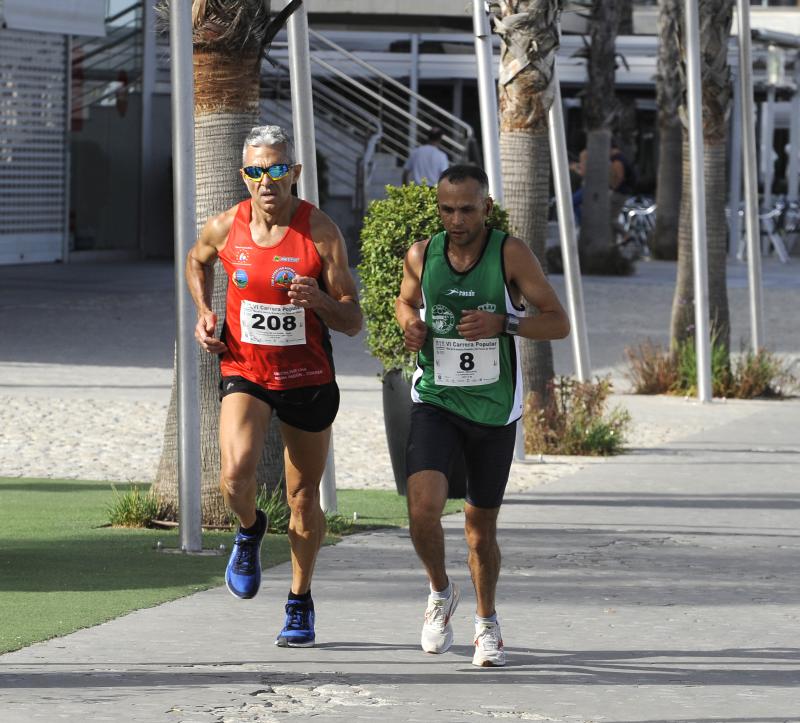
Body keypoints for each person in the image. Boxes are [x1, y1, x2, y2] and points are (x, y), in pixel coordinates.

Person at [187, 124, 362, 648]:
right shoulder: (225, 227)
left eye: (278, 169)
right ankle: (249, 529)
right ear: (245, 176)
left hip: (307, 378)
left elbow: (352, 321)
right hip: (246, 371)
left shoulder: (321, 233)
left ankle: (299, 602)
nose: (268, 180)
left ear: (295, 174)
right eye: (258, 170)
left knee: (303, 497)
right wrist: (203, 312)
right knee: (234, 480)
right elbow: (195, 260)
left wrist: (321, 301)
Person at [395, 164, 570, 667]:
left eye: (467, 209)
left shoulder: (510, 253)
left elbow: (557, 323)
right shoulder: (422, 254)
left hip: (493, 410)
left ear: (485, 207)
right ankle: (439, 591)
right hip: (436, 398)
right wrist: (410, 325)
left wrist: (505, 322)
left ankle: (487, 622)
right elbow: (405, 303)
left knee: (479, 529)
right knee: (421, 510)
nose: (456, 219)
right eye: (447, 209)